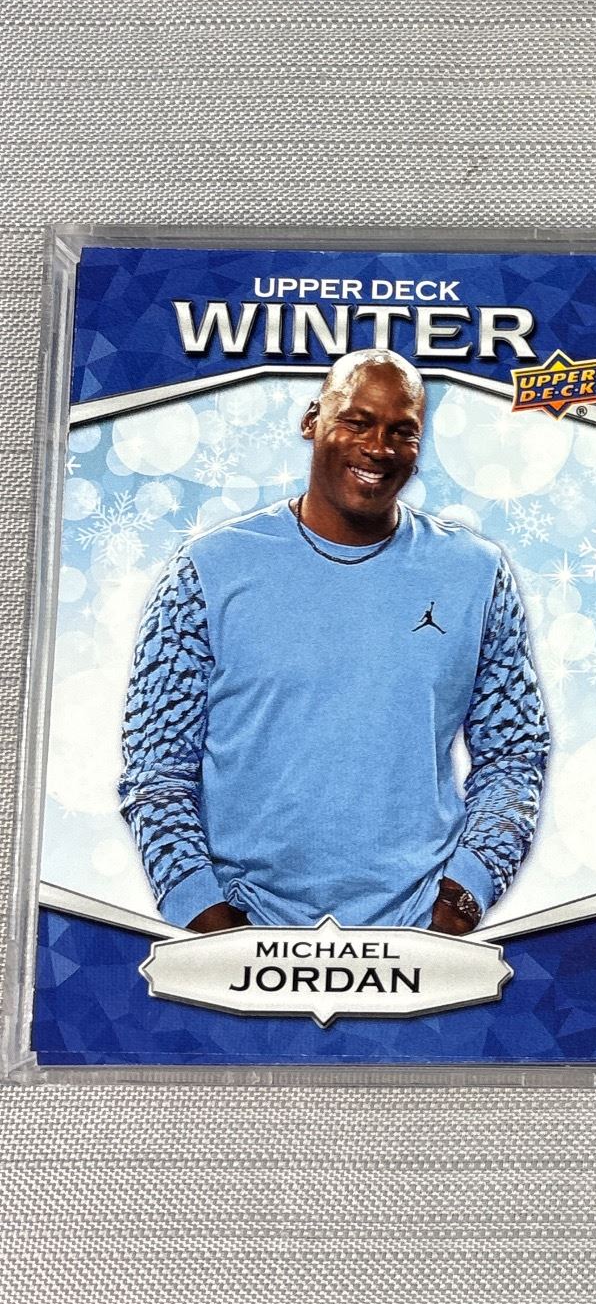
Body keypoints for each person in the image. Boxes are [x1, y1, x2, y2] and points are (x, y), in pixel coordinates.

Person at [118, 349, 550, 936]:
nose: (378, 448)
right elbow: (156, 768)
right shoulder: (207, 570)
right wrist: (207, 918)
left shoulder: (476, 573)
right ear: (311, 420)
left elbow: (514, 753)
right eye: (357, 422)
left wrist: (463, 898)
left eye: (402, 431)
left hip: (421, 935)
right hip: (240, 930)